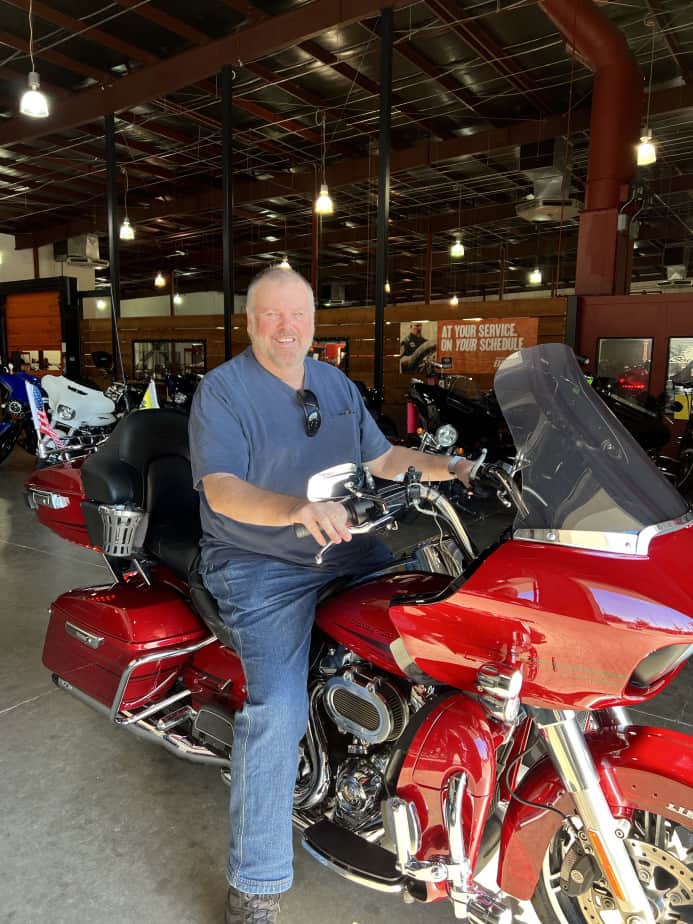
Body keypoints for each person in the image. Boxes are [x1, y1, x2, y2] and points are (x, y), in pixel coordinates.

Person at [188, 266, 473, 924]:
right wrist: (294, 510)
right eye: (271, 315)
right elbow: (222, 489)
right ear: (250, 320)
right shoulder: (223, 391)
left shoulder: (333, 383)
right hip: (261, 563)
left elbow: (381, 459)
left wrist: (455, 468)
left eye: (297, 315)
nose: (285, 327)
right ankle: (256, 884)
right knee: (277, 710)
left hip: (348, 548)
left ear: (313, 322)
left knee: (437, 629)